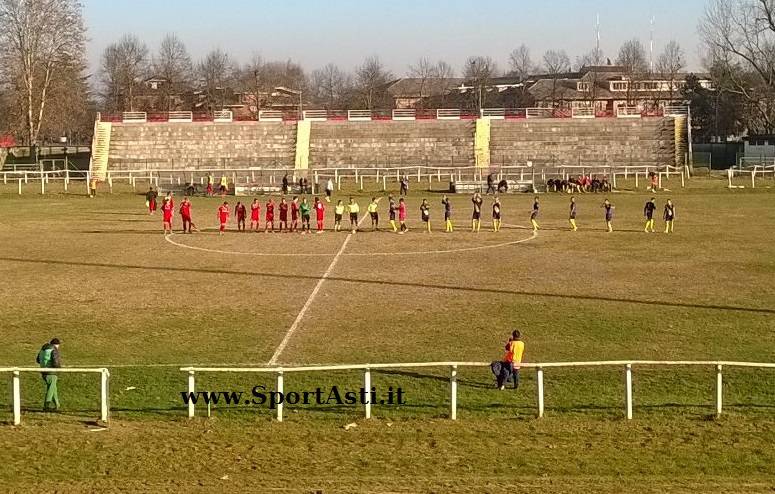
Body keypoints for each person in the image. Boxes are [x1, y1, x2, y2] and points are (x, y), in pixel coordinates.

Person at [36, 338, 62, 411]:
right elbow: (56, 362)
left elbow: (37, 360)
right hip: (51, 372)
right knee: (51, 389)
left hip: (43, 372)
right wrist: (59, 369)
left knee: (53, 388)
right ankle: (46, 406)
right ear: (56, 344)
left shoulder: (42, 350)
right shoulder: (54, 350)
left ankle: (57, 405)